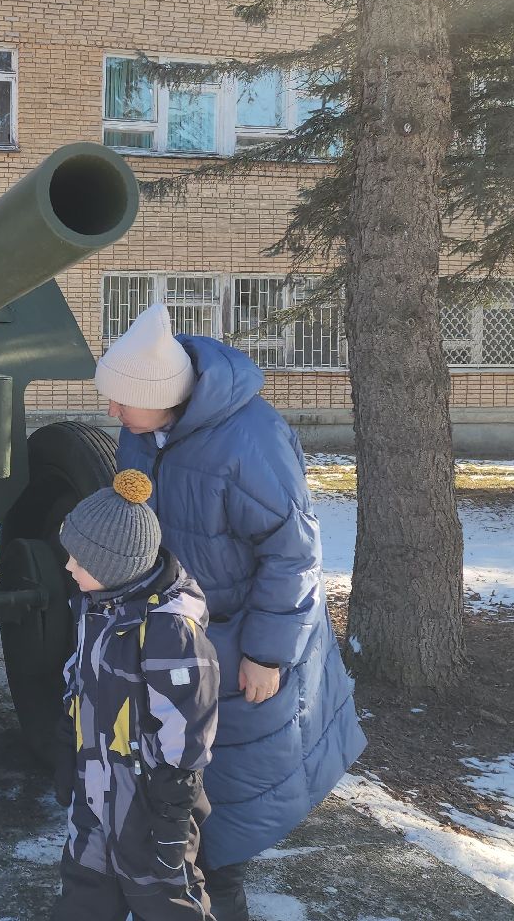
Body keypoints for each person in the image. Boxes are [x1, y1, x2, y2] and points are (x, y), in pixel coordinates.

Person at [94, 301, 367, 920]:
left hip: (244, 647)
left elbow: (294, 555)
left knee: (221, 838)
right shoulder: (143, 428)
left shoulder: (251, 441)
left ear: (162, 394)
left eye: (119, 400)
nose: (110, 411)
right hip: (176, 640)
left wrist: (268, 654)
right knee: (179, 817)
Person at [51, 469, 218, 921]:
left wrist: (172, 806)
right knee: (83, 896)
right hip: (95, 793)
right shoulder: (96, 607)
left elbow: (189, 723)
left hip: (147, 807)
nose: (69, 567)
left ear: (112, 568)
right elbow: (80, 678)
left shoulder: (169, 630)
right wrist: (69, 739)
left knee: (166, 901)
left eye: (78, 562)